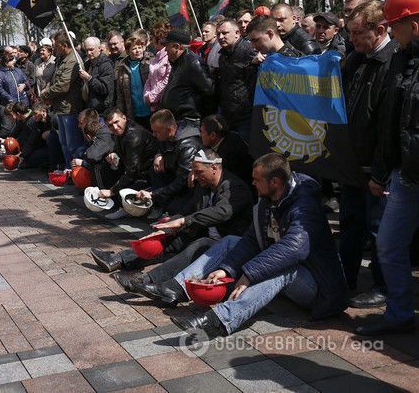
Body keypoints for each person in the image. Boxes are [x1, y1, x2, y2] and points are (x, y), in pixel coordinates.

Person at [155, 153, 347, 338]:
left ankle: (219, 321)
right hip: (290, 277)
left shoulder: (305, 205)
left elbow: (294, 248)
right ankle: (177, 288)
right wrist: (225, 269)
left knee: (283, 267)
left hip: (318, 287)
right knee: (231, 241)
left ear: (275, 182)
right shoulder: (267, 198)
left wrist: (249, 274)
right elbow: (253, 239)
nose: (252, 183)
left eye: (256, 180)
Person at [102, 149, 253, 295]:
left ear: (214, 168)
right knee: (169, 237)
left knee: (198, 245)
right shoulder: (205, 186)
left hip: (227, 244)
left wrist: (183, 221)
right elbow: (188, 211)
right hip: (203, 232)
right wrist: (166, 228)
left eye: (199, 172)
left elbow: (222, 212)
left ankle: (146, 280)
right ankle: (120, 259)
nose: (195, 176)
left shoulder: (236, 188)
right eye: (194, 172)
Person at [360, 0, 419, 336]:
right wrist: (381, 172)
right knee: (389, 243)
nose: (390, 33)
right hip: (404, 176)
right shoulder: (400, 58)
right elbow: (390, 120)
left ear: (413, 24)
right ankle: (399, 314)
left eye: (394, 25)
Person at [338, 0, 397, 309]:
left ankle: (383, 285)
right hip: (352, 163)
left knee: (378, 230)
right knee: (351, 223)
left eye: (358, 33)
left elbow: (388, 125)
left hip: (376, 167)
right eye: (350, 33)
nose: (352, 39)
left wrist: (379, 171)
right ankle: (344, 277)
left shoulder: (393, 63)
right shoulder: (356, 59)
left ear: (380, 30)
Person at [97, 108, 157, 219]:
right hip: (135, 168)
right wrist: (113, 153)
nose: (115, 127)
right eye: (110, 125)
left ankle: (125, 207)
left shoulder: (133, 136)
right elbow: (119, 148)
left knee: (123, 193)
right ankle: (118, 204)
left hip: (147, 175)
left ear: (124, 118)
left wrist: (112, 191)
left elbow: (132, 171)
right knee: (105, 167)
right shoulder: (120, 131)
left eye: (116, 122)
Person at [40, 31, 84, 167]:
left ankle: (76, 171)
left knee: (73, 144)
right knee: (64, 143)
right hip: (61, 107)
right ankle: (68, 169)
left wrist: (45, 94)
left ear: (65, 45)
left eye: (57, 45)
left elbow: (63, 85)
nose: (54, 48)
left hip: (70, 108)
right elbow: (55, 80)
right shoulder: (63, 59)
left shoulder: (72, 60)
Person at [158, 29, 213, 126]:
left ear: (176, 46)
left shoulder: (193, 63)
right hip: (178, 120)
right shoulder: (177, 62)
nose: (165, 49)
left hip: (190, 122)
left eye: (167, 45)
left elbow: (209, 92)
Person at [214, 20, 257, 138]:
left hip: (246, 115)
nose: (220, 37)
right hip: (228, 114)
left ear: (237, 33)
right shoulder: (222, 55)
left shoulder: (248, 50)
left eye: (225, 33)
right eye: (218, 34)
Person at [199, 114, 253, 187]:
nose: (200, 135)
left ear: (212, 135)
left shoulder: (230, 156)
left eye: (202, 132)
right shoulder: (217, 142)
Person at [115, 29, 153, 127]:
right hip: (134, 113)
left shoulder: (150, 61)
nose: (137, 50)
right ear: (128, 51)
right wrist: (121, 112)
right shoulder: (122, 67)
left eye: (140, 47)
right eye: (134, 48)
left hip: (151, 110)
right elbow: (120, 94)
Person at [80, 36, 115, 114]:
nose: (88, 53)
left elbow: (105, 89)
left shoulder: (106, 65)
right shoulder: (87, 64)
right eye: (86, 50)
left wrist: (89, 78)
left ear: (99, 48)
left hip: (102, 110)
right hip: (89, 109)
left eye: (91, 49)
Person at [142, 23, 172, 112]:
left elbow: (167, 79)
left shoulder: (169, 56)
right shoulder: (155, 58)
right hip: (154, 105)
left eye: (152, 38)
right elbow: (149, 79)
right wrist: (146, 94)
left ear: (158, 39)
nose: (151, 41)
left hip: (165, 104)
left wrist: (152, 96)